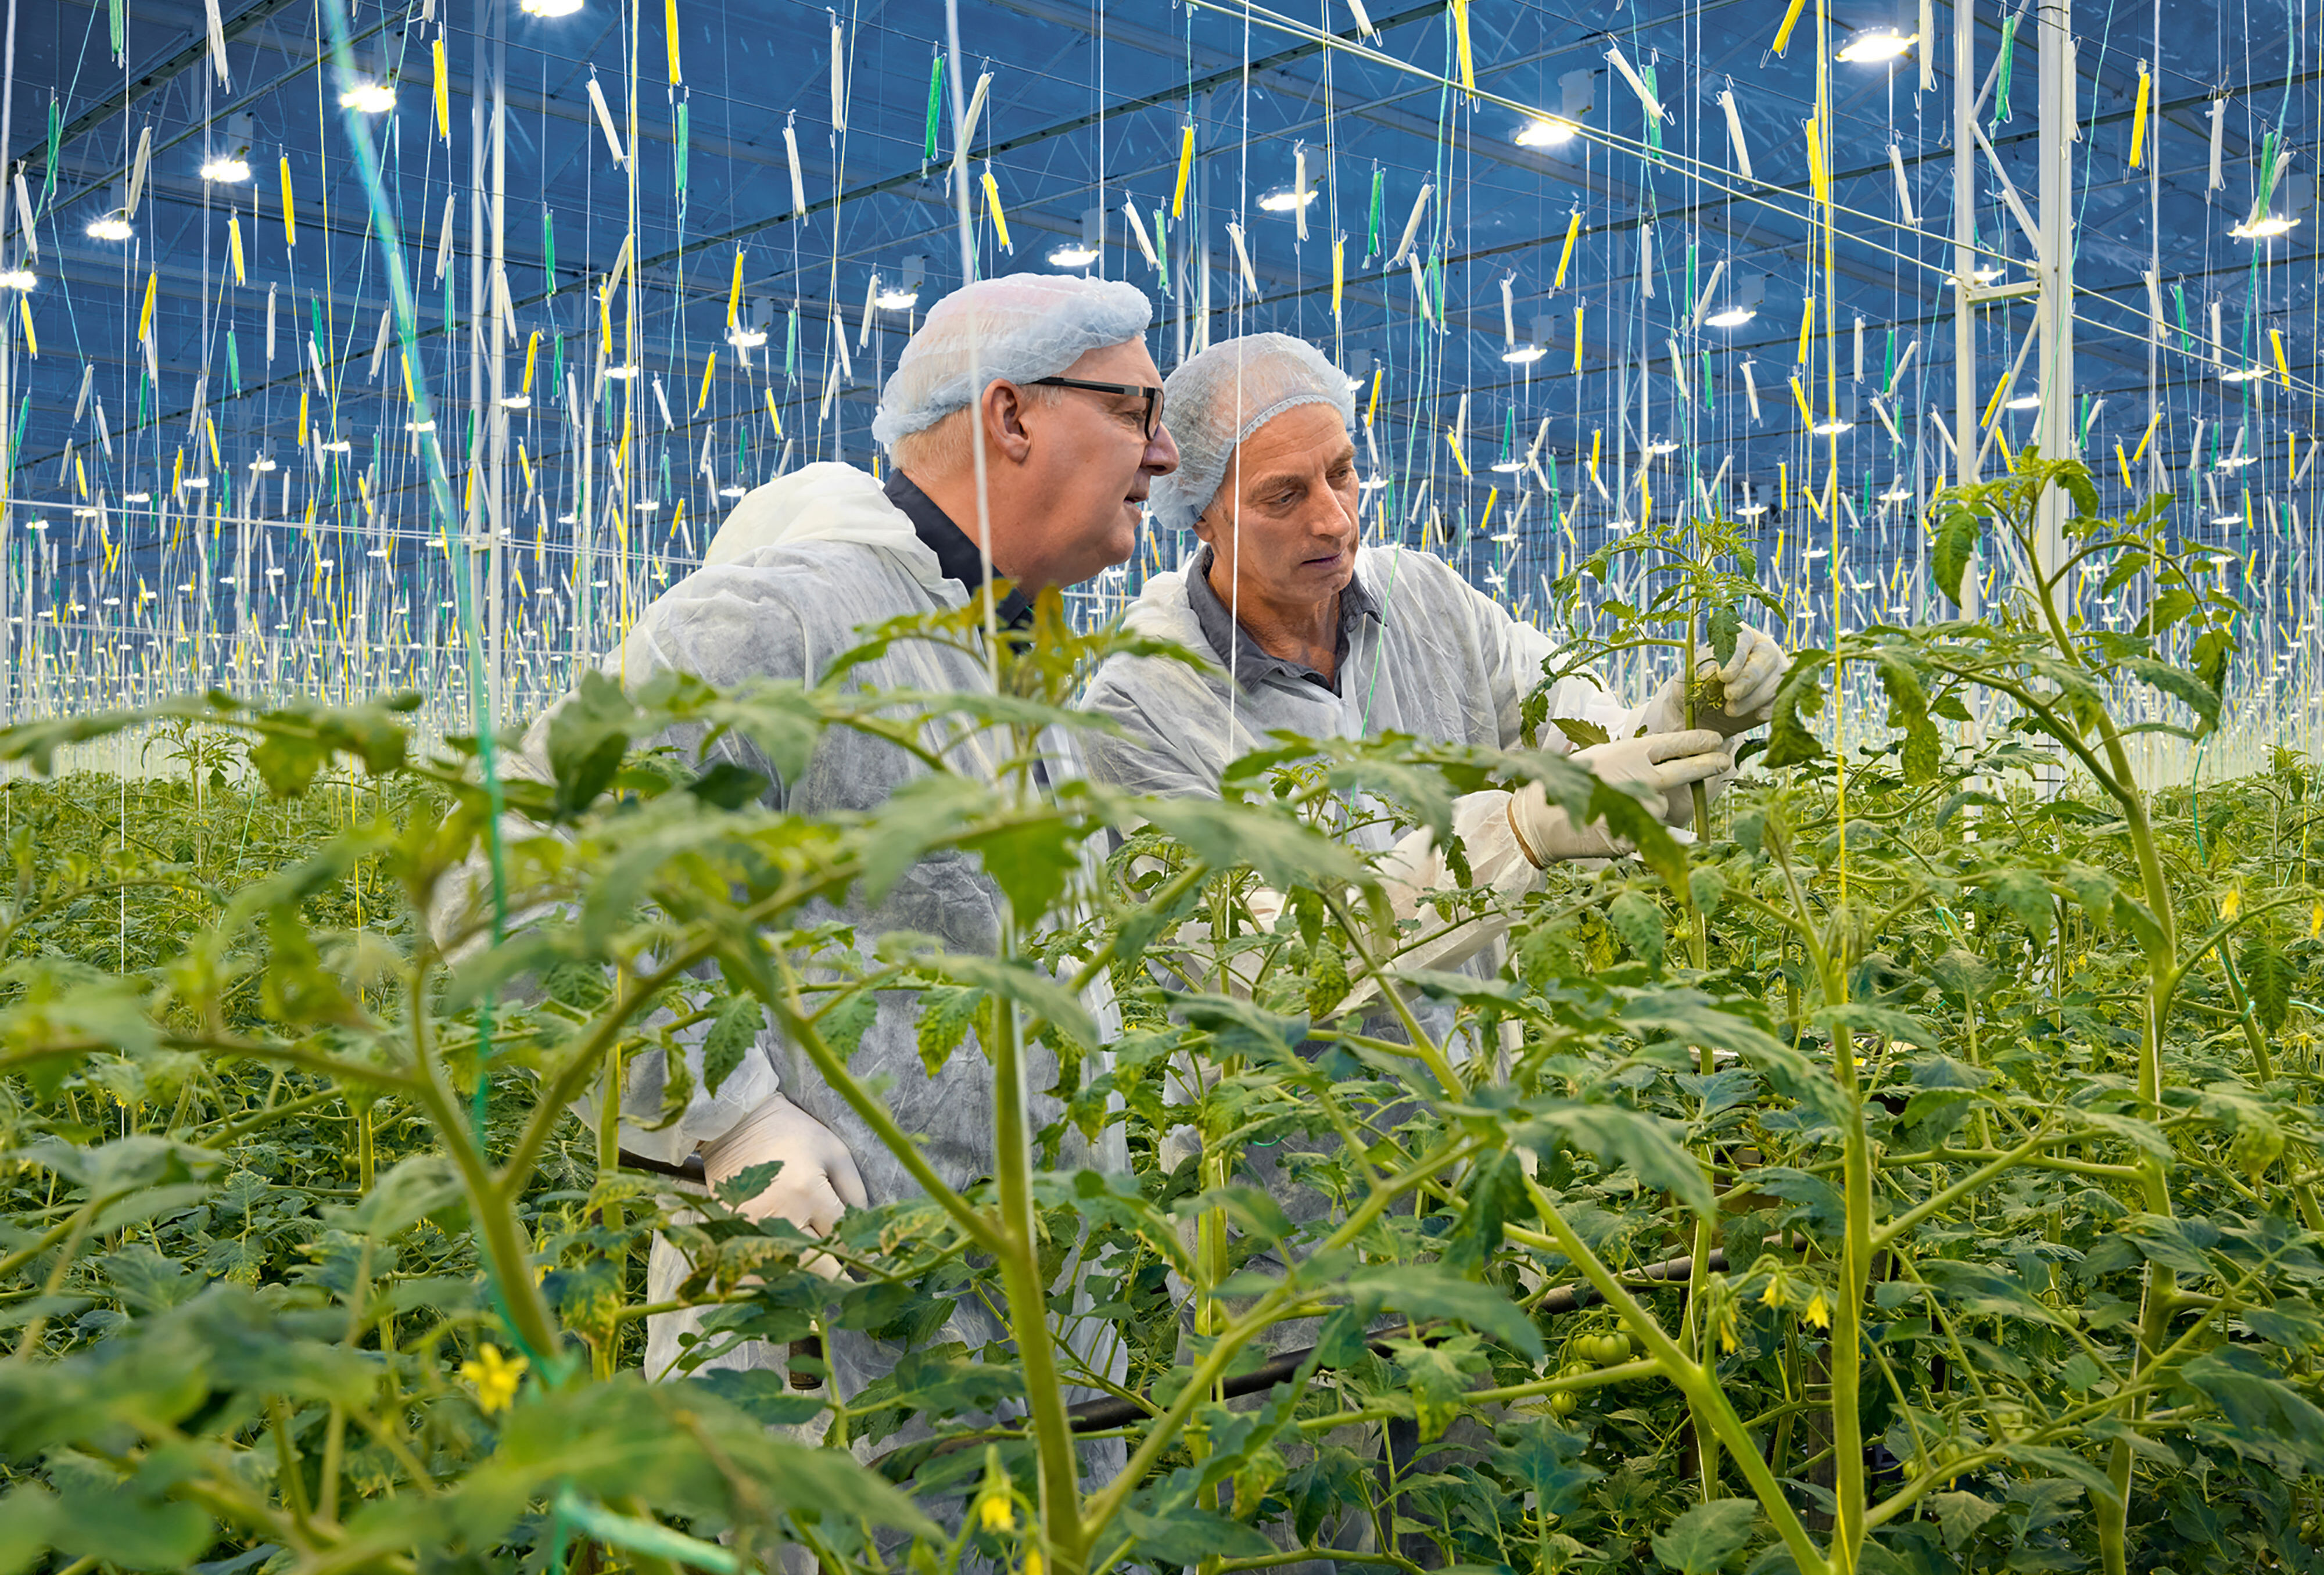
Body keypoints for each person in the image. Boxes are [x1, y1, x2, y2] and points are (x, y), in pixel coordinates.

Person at [440, 273, 1180, 1418]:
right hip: (828, 1327)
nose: (1167, 452)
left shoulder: (1023, 662)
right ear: (1010, 414)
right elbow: (514, 874)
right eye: (1135, 409)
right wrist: (724, 1116)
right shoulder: (785, 619)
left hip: (1038, 1327)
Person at [1080, 332, 1785, 911]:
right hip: (1287, 1086)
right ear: (1202, 514)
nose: (1333, 518)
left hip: (1476, 1065)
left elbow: (1588, 751)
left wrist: (1684, 722)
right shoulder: (1139, 703)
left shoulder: (1428, 601)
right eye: (1284, 495)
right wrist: (1515, 831)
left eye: (1342, 472)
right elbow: (1253, 960)